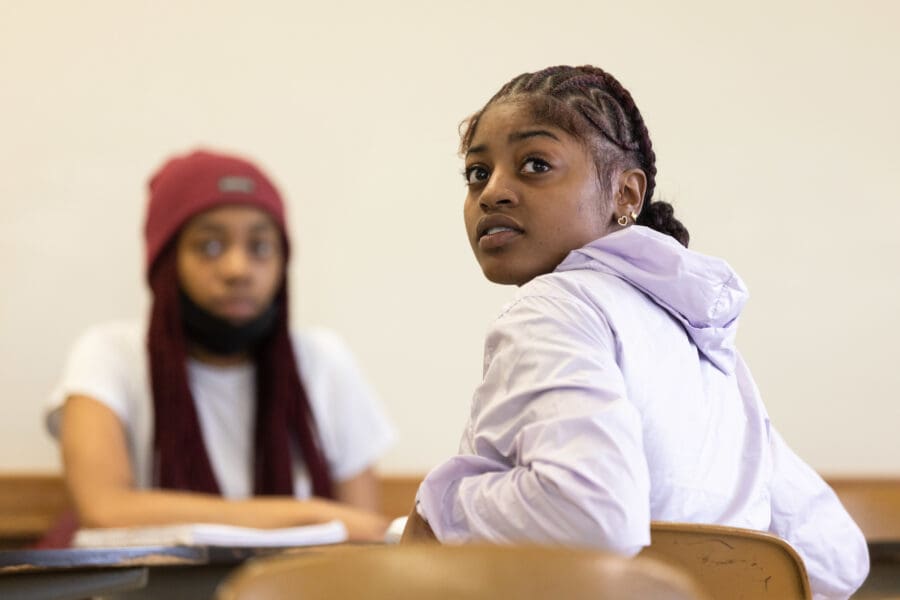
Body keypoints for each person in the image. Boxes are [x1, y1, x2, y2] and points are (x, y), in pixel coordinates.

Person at [409, 66, 868, 598]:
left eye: (535, 164)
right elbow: (836, 556)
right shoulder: (699, 340)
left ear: (626, 195)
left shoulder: (554, 306)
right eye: (476, 173)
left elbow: (588, 513)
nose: (493, 192)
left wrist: (443, 506)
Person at [47, 149, 394, 544]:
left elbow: (363, 537)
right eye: (209, 246)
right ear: (165, 262)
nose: (237, 269)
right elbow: (106, 511)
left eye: (260, 247)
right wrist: (311, 516)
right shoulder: (109, 354)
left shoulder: (323, 360)